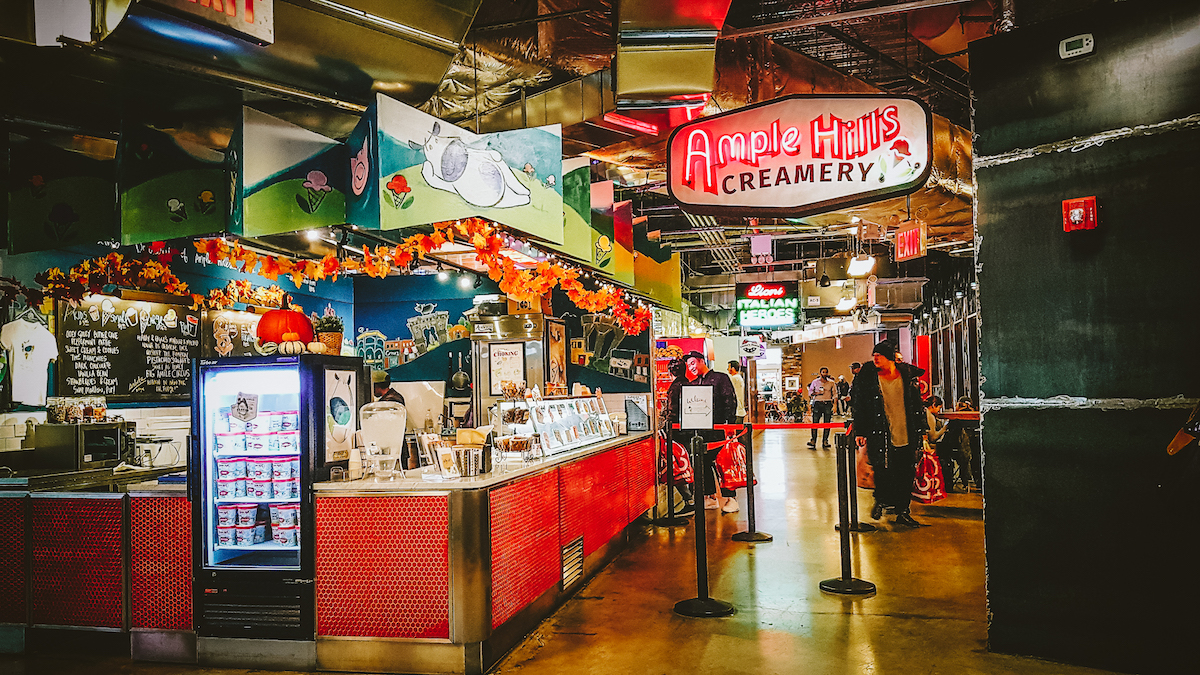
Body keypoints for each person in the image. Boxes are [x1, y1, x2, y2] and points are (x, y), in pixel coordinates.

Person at [850, 341, 929, 527]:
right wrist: (860, 431)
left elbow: (918, 406)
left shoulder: (907, 377)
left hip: (906, 431)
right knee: (882, 468)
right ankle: (881, 500)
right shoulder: (867, 379)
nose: (876, 358)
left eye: (881, 355)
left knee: (906, 472)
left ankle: (903, 510)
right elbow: (859, 406)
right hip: (880, 431)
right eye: (874, 354)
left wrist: (923, 430)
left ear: (891, 358)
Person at [682, 351, 739, 513]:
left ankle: (731, 498)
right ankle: (710, 497)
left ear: (701, 361)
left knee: (722, 463)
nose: (691, 367)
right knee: (703, 463)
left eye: (693, 362)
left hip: (719, 429)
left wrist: (730, 426)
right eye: (688, 365)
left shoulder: (721, 378)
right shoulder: (695, 383)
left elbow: (730, 401)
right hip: (700, 430)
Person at [661, 357, 696, 515]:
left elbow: (673, 411)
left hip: (676, 432)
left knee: (676, 466)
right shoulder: (690, 384)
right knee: (688, 464)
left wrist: (666, 424)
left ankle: (689, 500)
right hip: (689, 430)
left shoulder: (675, 387)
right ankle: (693, 499)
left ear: (670, 372)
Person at [924, 395, 954, 491]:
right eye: (939, 408)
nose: (938, 411)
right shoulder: (930, 416)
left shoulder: (922, 411)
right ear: (933, 405)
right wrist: (944, 428)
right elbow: (933, 437)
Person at [807, 367, 836, 448]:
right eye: (823, 372)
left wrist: (835, 405)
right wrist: (816, 393)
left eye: (826, 372)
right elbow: (810, 392)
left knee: (827, 423)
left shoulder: (831, 383)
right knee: (815, 422)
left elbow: (835, 394)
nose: (825, 374)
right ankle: (813, 440)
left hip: (827, 403)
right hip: (817, 403)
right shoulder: (815, 382)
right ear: (820, 373)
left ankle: (825, 441)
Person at [727, 360, 746, 426]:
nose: (727, 369)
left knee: (736, 434)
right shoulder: (739, 377)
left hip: (736, 411)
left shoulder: (734, 378)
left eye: (728, 367)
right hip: (740, 411)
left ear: (733, 369)